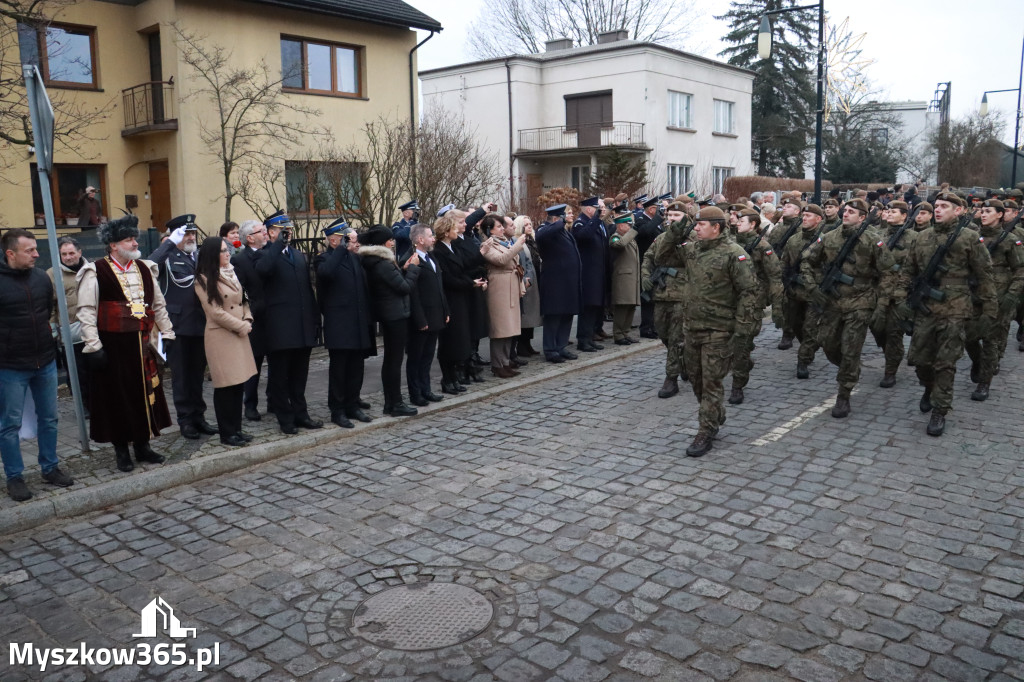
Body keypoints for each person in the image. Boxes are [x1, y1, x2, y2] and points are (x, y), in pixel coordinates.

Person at [77, 215, 174, 473]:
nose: (134, 242)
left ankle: (143, 446)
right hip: (113, 346)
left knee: (144, 394)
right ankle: (122, 450)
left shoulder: (144, 268)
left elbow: (158, 305)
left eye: (134, 238)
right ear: (113, 245)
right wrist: (93, 346)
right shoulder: (95, 270)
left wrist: (168, 333)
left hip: (142, 344)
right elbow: (87, 311)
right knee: (117, 398)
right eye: (128, 239)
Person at [901, 192, 995, 436]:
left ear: (958, 210)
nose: (939, 210)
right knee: (920, 361)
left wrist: (988, 311)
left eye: (944, 206)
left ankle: (940, 410)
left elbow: (985, 276)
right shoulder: (921, 238)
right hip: (925, 308)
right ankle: (929, 388)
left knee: (945, 362)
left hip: (956, 308)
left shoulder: (969, 238)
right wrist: (900, 300)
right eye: (937, 206)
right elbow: (907, 273)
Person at [800, 198, 894, 419]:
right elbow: (807, 260)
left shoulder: (873, 240)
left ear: (863, 217)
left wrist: (881, 304)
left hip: (861, 301)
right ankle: (849, 368)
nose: (846, 214)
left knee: (850, 348)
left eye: (852, 212)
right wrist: (812, 287)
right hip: (833, 301)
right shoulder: (830, 237)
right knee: (828, 344)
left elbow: (888, 273)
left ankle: (844, 394)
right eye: (845, 210)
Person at [0, 229, 74, 501]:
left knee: (49, 418)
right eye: (29, 250)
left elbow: (47, 312)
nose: (36, 254)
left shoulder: (42, 278)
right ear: (10, 253)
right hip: (9, 366)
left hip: (44, 361)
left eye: (35, 249)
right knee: (9, 424)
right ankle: (15, 476)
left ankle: (50, 467)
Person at [681, 207, 758, 458]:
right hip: (692, 327)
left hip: (719, 330)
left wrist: (742, 331)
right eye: (695, 224)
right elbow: (660, 253)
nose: (696, 228)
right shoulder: (692, 251)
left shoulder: (734, 254)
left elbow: (749, 293)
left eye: (701, 224)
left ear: (717, 227)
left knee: (712, 382)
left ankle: (706, 430)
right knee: (696, 380)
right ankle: (715, 414)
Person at [255, 209, 323, 434]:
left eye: (290, 230)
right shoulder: (264, 254)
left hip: (301, 326)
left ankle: (301, 413)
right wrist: (276, 246)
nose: (288, 233)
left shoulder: (297, 255)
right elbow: (263, 270)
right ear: (271, 233)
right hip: (280, 328)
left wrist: (314, 319)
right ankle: (285, 418)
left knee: (299, 375)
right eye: (283, 230)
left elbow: (307, 290)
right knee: (280, 376)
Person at [150, 214, 216, 439]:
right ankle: (185, 420)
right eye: (186, 233)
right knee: (181, 377)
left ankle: (199, 417)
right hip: (177, 326)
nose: (190, 237)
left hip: (200, 324)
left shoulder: (198, 256)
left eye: (192, 233)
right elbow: (149, 265)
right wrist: (169, 243)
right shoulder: (168, 256)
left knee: (197, 375)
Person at [194, 237, 257, 446]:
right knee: (225, 387)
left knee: (239, 383)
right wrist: (241, 326)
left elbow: (244, 299)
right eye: (222, 251)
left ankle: (236, 429)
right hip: (221, 336)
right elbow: (215, 312)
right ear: (213, 255)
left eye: (227, 249)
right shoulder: (202, 279)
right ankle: (226, 432)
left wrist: (248, 318)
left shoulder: (231, 271)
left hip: (239, 333)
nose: (227, 253)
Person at [964, 199, 1023, 401]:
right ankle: (978, 362)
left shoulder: (1010, 240)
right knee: (968, 337)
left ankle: (984, 383)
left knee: (991, 341)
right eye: (982, 211)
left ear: (999, 214)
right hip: (972, 295)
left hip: (997, 297)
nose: (984, 214)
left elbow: (1020, 270)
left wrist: (1012, 295)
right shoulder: (971, 237)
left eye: (988, 211)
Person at [318, 224, 375, 428]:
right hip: (339, 324)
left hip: (358, 322)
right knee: (339, 369)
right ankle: (337, 409)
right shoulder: (324, 258)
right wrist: (342, 249)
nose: (354, 242)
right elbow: (325, 274)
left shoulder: (354, 258)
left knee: (356, 368)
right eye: (349, 239)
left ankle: (352, 404)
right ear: (335, 240)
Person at [360, 225, 418, 417]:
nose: (393, 242)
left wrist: (404, 268)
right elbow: (404, 287)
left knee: (392, 360)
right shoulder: (382, 263)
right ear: (384, 242)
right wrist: (414, 270)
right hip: (394, 315)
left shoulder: (377, 261)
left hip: (391, 313)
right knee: (394, 361)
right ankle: (394, 403)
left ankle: (392, 402)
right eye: (391, 240)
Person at [729, 208, 784, 405]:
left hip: (753, 302)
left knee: (742, 345)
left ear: (753, 224)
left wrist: (777, 307)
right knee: (727, 344)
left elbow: (775, 277)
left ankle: (737, 385)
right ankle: (743, 364)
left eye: (741, 220)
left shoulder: (763, 247)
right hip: (728, 301)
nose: (736, 222)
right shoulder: (730, 243)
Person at [643, 201, 691, 398]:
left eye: (676, 216)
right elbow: (649, 257)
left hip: (682, 294)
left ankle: (671, 380)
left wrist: (677, 240)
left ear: (685, 218)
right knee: (663, 333)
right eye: (669, 216)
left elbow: (691, 260)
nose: (671, 219)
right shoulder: (661, 237)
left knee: (675, 338)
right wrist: (645, 275)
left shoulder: (692, 237)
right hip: (661, 294)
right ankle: (685, 360)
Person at [433, 209, 483, 394]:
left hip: (460, 298)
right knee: (450, 341)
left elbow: (463, 269)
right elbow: (448, 279)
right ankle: (447, 379)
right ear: (447, 231)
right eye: (455, 227)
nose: (459, 230)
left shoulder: (452, 247)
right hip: (450, 299)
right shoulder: (439, 251)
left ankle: (454, 377)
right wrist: (471, 283)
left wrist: (474, 279)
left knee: (460, 339)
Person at [871, 201, 917, 388]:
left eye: (894, 211)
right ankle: (890, 352)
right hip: (877, 291)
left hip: (900, 293)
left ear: (904, 215)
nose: (889, 214)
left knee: (893, 332)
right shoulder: (878, 234)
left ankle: (890, 370)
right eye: (888, 211)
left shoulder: (915, 237)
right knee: (876, 327)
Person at [401, 223, 449, 404]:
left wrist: (445, 310)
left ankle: (426, 389)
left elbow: (439, 287)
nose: (433, 238)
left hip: (435, 315)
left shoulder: (431, 257)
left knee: (428, 357)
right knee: (416, 358)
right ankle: (416, 394)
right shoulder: (411, 260)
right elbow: (413, 294)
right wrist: (420, 320)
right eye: (430, 236)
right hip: (421, 319)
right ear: (420, 239)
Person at [780, 204, 827, 380]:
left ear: (818, 219)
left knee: (810, 327)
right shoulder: (793, 240)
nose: (805, 218)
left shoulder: (825, 240)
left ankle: (803, 360)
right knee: (794, 324)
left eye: (809, 215)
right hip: (794, 291)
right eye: (804, 215)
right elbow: (784, 263)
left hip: (814, 292)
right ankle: (807, 348)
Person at [480, 214, 528, 377]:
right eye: (498, 227)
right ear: (489, 229)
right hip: (498, 286)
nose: (502, 229)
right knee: (500, 328)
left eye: (502, 226)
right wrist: (518, 245)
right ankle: (497, 364)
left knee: (510, 327)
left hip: (510, 284)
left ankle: (506, 362)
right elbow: (500, 260)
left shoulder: (504, 242)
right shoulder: (488, 244)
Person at [535, 204, 582, 363]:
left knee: (567, 315)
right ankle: (550, 349)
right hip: (554, 283)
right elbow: (541, 237)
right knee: (554, 317)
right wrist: (560, 222)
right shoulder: (544, 229)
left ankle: (561, 347)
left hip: (568, 282)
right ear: (556, 218)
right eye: (566, 214)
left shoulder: (563, 231)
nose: (570, 216)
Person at [47, 236, 90, 412]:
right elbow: (49, 305)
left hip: (94, 329)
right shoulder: (52, 274)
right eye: (64, 254)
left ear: (79, 252)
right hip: (70, 332)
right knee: (76, 373)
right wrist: (53, 332)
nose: (68, 257)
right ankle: (84, 406)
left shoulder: (92, 270)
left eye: (71, 252)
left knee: (96, 369)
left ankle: (99, 403)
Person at [232, 219, 269, 421]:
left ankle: (273, 399)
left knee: (277, 361)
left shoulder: (269, 254)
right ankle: (251, 405)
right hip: (255, 318)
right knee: (254, 363)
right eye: (260, 231)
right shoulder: (240, 260)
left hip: (274, 316)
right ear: (250, 238)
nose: (264, 234)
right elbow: (240, 291)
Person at [572, 197, 609, 352]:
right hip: (588, 273)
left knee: (594, 307)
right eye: (598, 208)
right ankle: (583, 340)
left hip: (598, 272)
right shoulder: (580, 222)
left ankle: (590, 336)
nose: (601, 211)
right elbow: (584, 236)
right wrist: (596, 219)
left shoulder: (597, 223)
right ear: (589, 209)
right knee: (587, 308)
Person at [768, 197, 805, 349]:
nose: (785, 208)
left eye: (789, 206)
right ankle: (787, 333)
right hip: (782, 269)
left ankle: (802, 332)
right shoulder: (778, 228)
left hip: (799, 270)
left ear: (797, 211)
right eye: (785, 206)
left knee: (801, 306)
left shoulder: (802, 229)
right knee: (785, 304)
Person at [512, 215, 542, 357]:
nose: (529, 226)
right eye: (526, 224)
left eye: (530, 224)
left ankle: (528, 344)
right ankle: (522, 346)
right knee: (525, 317)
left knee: (532, 315)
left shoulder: (532, 241)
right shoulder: (519, 242)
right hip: (526, 281)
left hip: (535, 281)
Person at [608, 211, 640, 345]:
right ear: (620, 226)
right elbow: (619, 245)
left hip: (632, 278)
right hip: (623, 279)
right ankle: (618, 334)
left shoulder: (629, 238)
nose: (631, 227)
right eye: (628, 224)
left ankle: (625, 332)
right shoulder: (615, 237)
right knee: (622, 307)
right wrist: (631, 232)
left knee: (631, 307)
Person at [634, 196, 664, 338]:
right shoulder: (641, 220)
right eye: (656, 208)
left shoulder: (654, 222)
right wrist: (658, 219)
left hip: (656, 264)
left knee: (653, 298)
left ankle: (652, 326)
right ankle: (646, 328)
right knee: (647, 298)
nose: (658, 211)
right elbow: (645, 232)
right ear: (651, 209)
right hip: (645, 263)